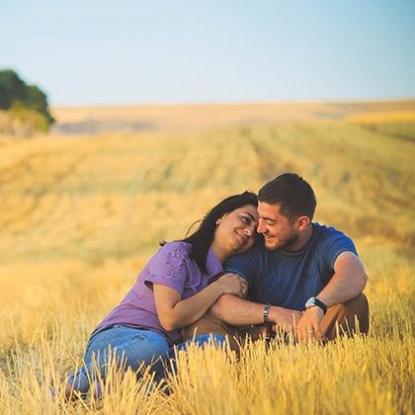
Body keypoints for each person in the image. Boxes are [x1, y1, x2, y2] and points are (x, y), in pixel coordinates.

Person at [64, 191, 258, 399]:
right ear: (221, 216)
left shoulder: (227, 278)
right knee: (151, 347)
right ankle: (75, 383)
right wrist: (218, 288)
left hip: (166, 352)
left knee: (215, 347)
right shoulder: (178, 253)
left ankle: (123, 390)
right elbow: (170, 318)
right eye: (246, 220)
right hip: (124, 338)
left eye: (256, 233)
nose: (248, 231)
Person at [184, 173, 369, 344]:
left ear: (301, 223)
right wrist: (274, 314)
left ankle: (315, 362)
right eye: (260, 218)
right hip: (265, 337)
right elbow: (222, 305)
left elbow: (355, 273)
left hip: (313, 333)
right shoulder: (253, 246)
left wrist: (317, 306)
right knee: (202, 326)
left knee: (355, 302)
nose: (259, 228)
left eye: (269, 222)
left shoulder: (328, 240)